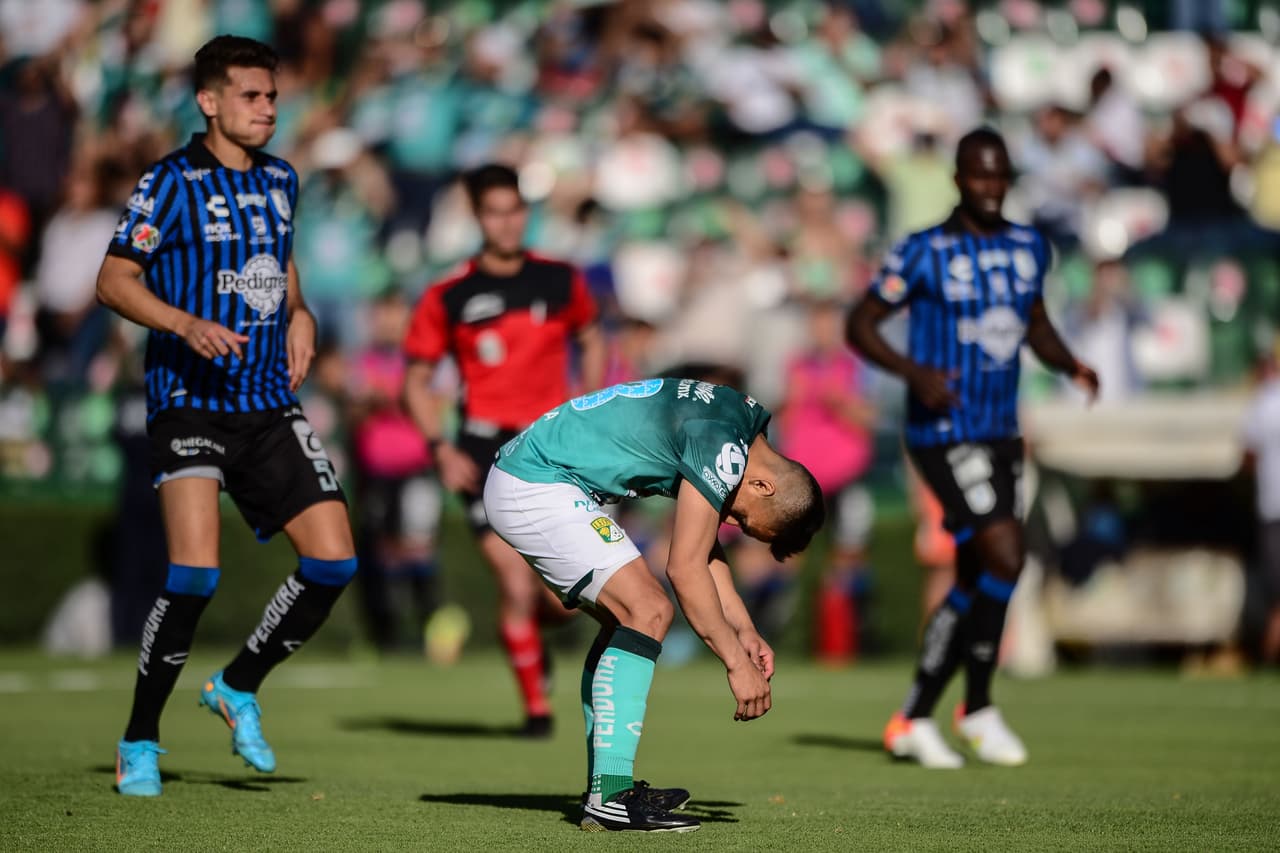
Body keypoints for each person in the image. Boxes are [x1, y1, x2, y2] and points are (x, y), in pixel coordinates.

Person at [96, 36, 358, 797]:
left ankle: (238, 684)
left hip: (269, 404)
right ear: (208, 101)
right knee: (195, 573)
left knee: (334, 561)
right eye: (252, 95)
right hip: (191, 404)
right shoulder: (169, 182)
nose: (268, 109)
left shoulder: (282, 178)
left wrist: (302, 312)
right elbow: (113, 279)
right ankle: (140, 737)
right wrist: (182, 324)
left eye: (272, 96)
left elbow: (281, 260)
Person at [845, 128, 1099, 769]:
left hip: (1001, 431)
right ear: (958, 179)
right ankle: (977, 707)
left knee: (976, 574)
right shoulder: (923, 250)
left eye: (999, 176)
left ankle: (918, 716)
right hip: (942, 432)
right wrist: (914, 373)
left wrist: (1071, 365)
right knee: (1007, 553)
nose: (989, 186)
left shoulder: (1026, 246)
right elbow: (860, 323)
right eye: (978, 175)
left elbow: (1034, 323)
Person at [484, 379, 825, 832]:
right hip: (537, 484)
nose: (733, 521)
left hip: (542, 478)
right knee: (649, 609)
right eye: (744, 518)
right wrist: (735, 663)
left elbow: (701, 547)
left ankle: (607, 788)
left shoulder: (739, 425)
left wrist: (742, 628)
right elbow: (685, 568)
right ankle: (608, 797)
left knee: (625, 624)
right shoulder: (721, 444)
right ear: (764, 485)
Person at [403, 163, 606, 736]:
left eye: (516, 209)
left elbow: (591, 336)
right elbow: (415, 380)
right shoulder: (450, 294)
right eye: (495, 211)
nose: (508, 222)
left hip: (552, 445)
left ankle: (538, 637)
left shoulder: (562, 280)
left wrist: (588, 402)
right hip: (484, 451)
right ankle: (537, 711)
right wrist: (440, 446)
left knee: (558, 599)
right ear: (478, 217)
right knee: (515, 584)